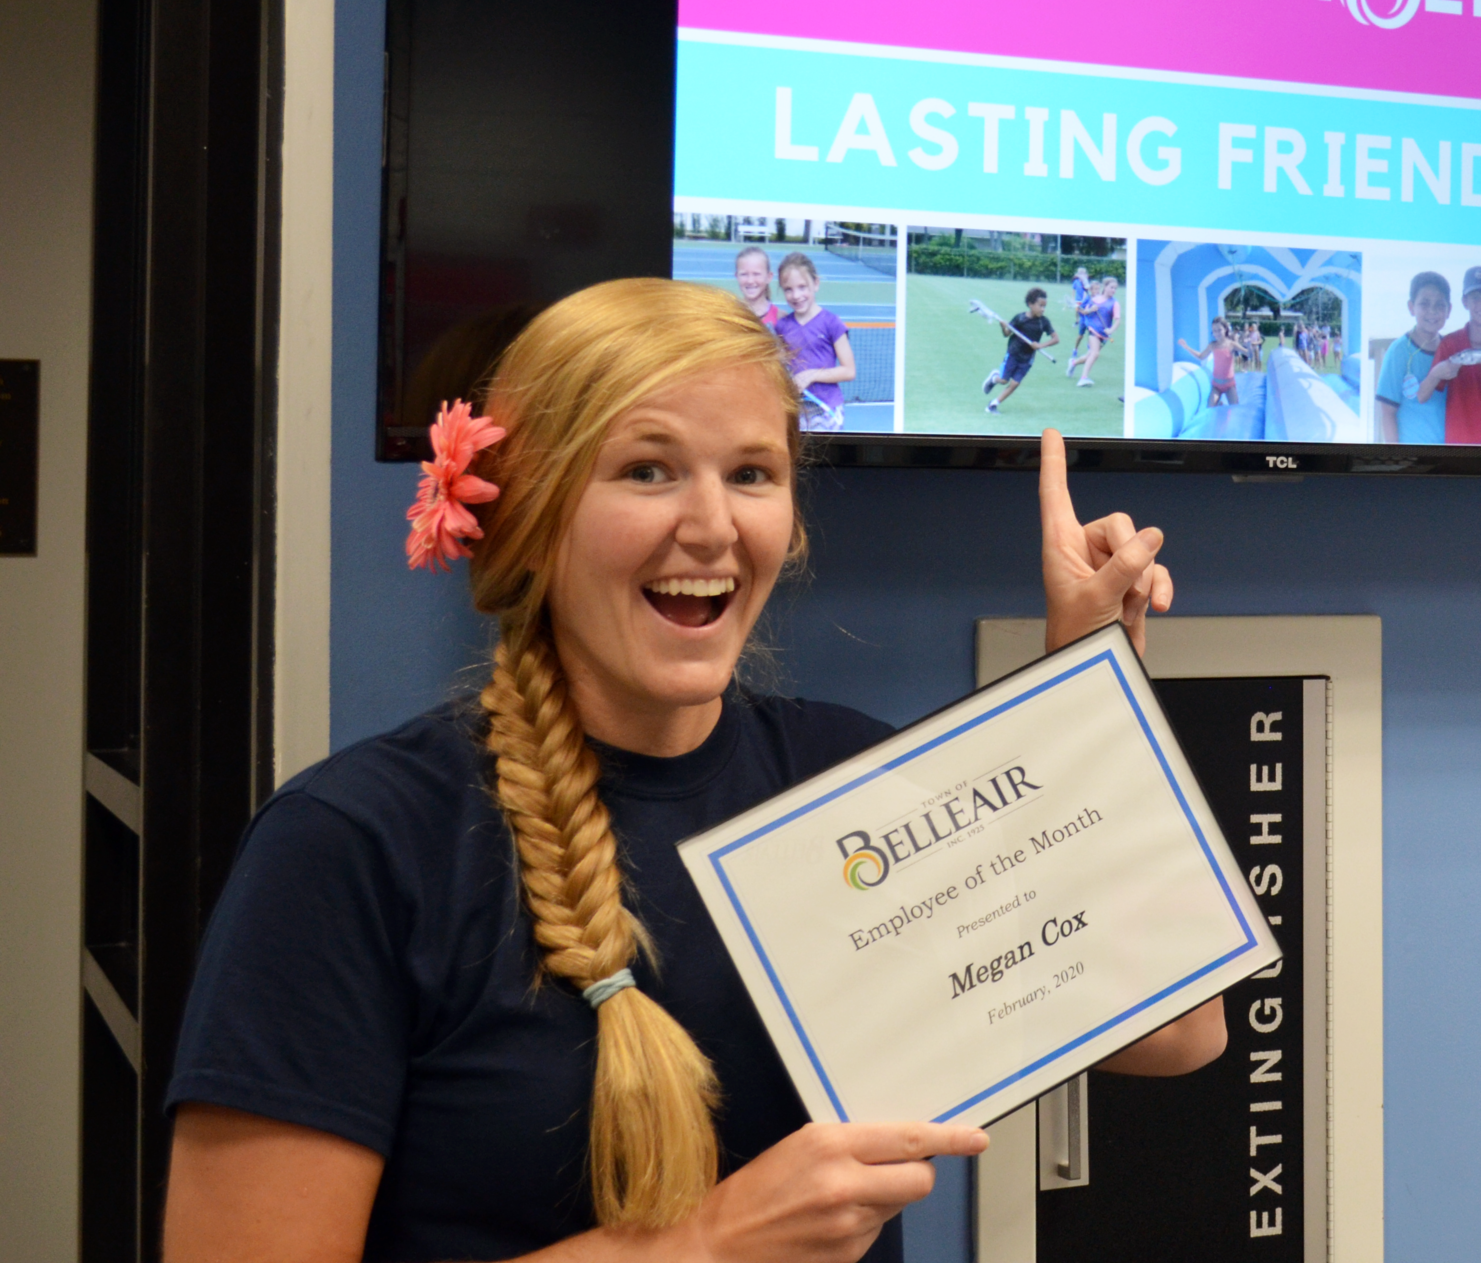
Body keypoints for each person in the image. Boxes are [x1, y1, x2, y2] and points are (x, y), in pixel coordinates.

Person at [160, 280, 1216, 1263]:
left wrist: (1091, 686)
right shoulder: (356, 846)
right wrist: (706, 1245)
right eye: (647, 469)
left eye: (751, 473)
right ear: (528, 517)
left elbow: (1177, 1031)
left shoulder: (848, 780)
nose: (710, 525)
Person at [1419, 266, 1481, 446]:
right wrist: (1436, 374)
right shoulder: (1449, 343)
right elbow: (1422, 396)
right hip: (1460, 445)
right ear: (1464, 301)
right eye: (1475, 297)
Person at [773, 254, 855, 433]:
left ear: (816, 283)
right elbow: (782, 365)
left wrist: (811, 375)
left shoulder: (832, 323)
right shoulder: (782, 326)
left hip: (827, 411)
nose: (796, 295)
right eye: (788, 289)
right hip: (796, 412)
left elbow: (849, 371)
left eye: (802, 287)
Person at [1374, 271, 1452, 444]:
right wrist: (1396, 458)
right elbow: (1387, 412)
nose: (1432, 311)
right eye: (1424, 304)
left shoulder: (1452, 349)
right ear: (1411, 307)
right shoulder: (1398, 351)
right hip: (1413, 456)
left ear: (1449, 310)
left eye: (1440, 305)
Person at [983, 287, 1058, 413]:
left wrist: (1040, 345)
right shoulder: (1020, 318)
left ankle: (993, 405)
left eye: (1044, 306)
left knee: (1015, 384)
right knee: (1003, 380)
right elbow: (1007, 334)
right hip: (1013, 353)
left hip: (1027, 358)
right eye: (1040, 305)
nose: (1043, 309)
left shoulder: (1043, 322)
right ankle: (994, 378)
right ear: (1030, 304)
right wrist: (1003, 327)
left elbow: (1056, 339)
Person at [1179, 318, 1238, 407]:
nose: (1217, 333)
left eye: (1219, 330)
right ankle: (1219, 403)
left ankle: (1220, 403)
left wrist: (1249, 347)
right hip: (1217, 385)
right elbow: (1201, 356)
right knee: (1210, 407)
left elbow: (1246, 352)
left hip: (1229, 384)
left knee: (1236, 407)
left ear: (1225, 329)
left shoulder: (1231, 344)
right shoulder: (1212, 345)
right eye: (1214, 331)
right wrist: (1187, 347)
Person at [1072, 277, 1120, 388]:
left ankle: (1073, 363)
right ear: (1105, 287)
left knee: (1088, 356)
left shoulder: (1114, 303)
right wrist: (1090, 310)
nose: (1113, 290)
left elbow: (1118, 320)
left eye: (1115, 288)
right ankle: (1083, 378)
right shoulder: (1094, 299)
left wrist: (1111, 330)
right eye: (1111, 287)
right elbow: (1081, 310)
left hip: (1104, 335)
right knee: (1095, 353)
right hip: (1093, 330)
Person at [731, 245, 780, 328]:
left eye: (756, 274)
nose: (750, 281)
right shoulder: (730, 315)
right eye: (744, 274)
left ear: (769, 277)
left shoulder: (779, 317)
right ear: (737, 276)